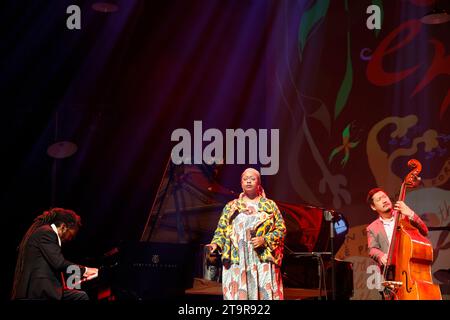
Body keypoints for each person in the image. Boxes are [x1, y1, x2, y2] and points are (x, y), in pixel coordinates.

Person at [206, 168, 286, 300]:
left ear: (259, 183)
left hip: (261, 259)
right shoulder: (231, 206)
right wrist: (216, 243)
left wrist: (265, 239)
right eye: (245, 179)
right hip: (238, 259)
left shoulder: (270, 205)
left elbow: (281, 229)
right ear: (241, 183)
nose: (248, 181)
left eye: (252, 179)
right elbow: (222, 229)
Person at [11, 208, 98, 300]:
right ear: (63, 227)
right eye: (71, 235)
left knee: (79, 294)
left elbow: (54, 266)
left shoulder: (45, 233)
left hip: (41, 288)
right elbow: (59, 264)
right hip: (39, 291)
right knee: (81, 296)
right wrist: (85, 270)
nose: (70, 239)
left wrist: (75, 281)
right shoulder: (47, 232)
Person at [366, 188, 428, 267]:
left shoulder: (404, 215)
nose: (384, 201)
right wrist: (381, 256)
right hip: (391, 270)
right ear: (373, 207)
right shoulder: (372, 228)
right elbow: (372, 249)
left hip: (411, 265)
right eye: (379, 199)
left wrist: (410, 214)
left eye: (385, 197)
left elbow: (424, 231)